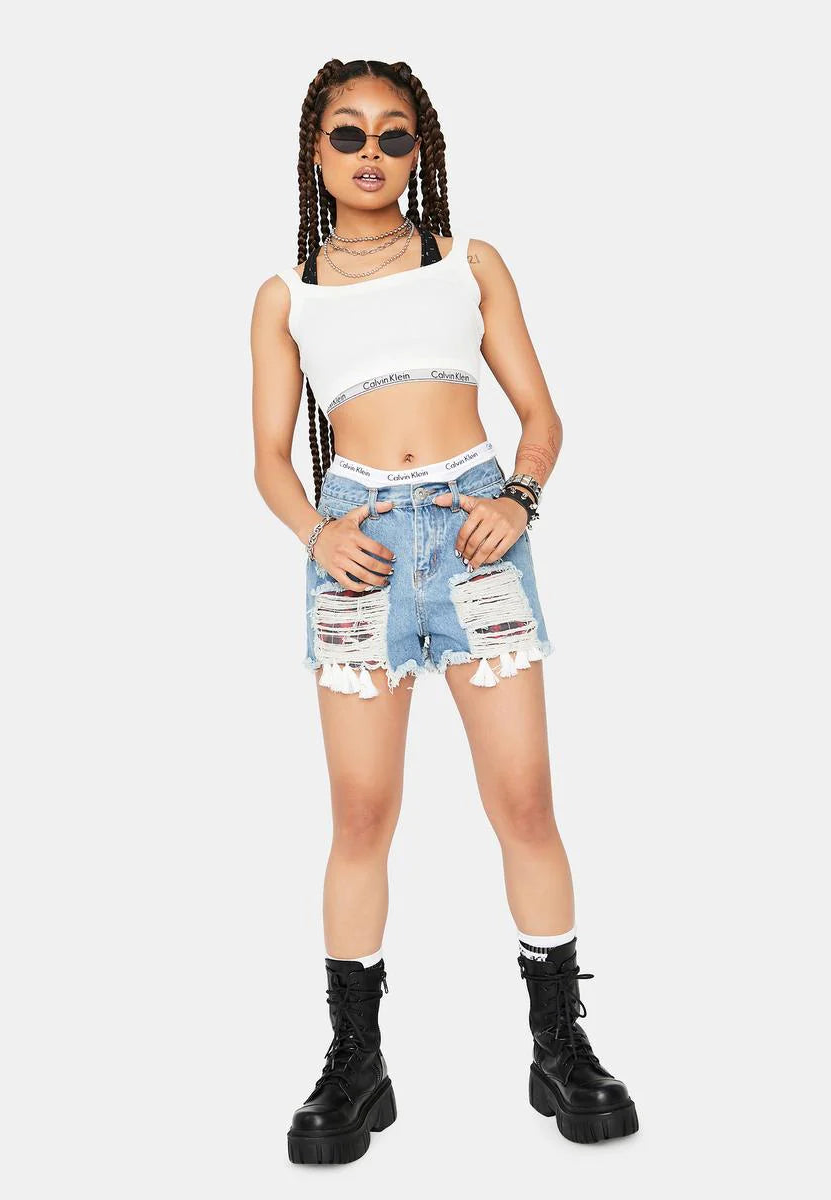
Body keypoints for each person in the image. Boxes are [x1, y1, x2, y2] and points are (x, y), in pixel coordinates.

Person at [251, 58, 639, 1164]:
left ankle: (559, 1044)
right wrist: (318, 535)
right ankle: (356, 1061)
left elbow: (541, 416)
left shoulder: (470, 262)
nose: (371, 153)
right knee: (362, 814)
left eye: (394, 135)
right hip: (358, 547)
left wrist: (518, 500)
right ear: (315, 151)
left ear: (421, 151)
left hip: (477, 535)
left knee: (524, 801)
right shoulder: (286, 295)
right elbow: (269, 457)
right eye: (348, 134)